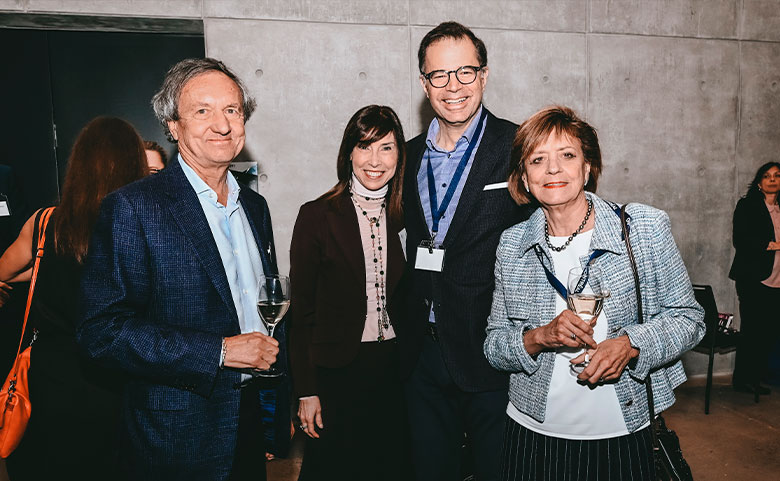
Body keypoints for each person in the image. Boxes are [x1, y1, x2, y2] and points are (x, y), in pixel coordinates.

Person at [76, 58, 281, 481]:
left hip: (246, 419)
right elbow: (101, 332)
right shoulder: (134, 207)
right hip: (174, 436)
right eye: (202, 111)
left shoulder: (255, 208)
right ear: (173, 126)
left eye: (232, 110)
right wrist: (220, 351)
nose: (222, 125)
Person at [483, 106, 705, 480]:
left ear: (588, 167)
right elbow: (494, 346)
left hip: (622, 432)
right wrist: (539, 337)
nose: (553, 169)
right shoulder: (511, 244)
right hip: (532, 435)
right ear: (524, 176)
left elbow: (690, 318)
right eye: (538, 160)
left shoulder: (642, 228)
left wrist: (632, 344)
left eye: (567, 156)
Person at [401, 21, 528, 481]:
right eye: (439, 75)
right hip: (421, 353)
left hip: (489, 349)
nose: (453, 87)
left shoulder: (519, 146)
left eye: (465, 72)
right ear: (423, 83)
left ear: (485, 75)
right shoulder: (407, 154)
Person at [0, 116, 148, 480]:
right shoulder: (142, 224)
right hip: (120, 379)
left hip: (54, 380)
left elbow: (3, 270)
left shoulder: (46, 222)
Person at [289, 105, 411, 481]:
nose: (375, 160)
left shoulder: (408, 215)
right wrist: (306, 391)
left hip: (395, 371)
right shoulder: (316, 215)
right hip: (337, 374)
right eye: (365, 146)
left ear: (399, 156)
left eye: (386, 148)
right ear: (349, 154)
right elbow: (301, 314)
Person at [728, 161, 780, 396]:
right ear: (759, 183)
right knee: (752, 330)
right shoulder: (748, 206)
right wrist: (773, 245)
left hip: (777, 277)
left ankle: (761, 376)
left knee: (769, 331)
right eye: (767, 176)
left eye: (777, 175)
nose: (772, 179)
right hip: (754, 277)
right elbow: (742, 239)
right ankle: (744, 380)